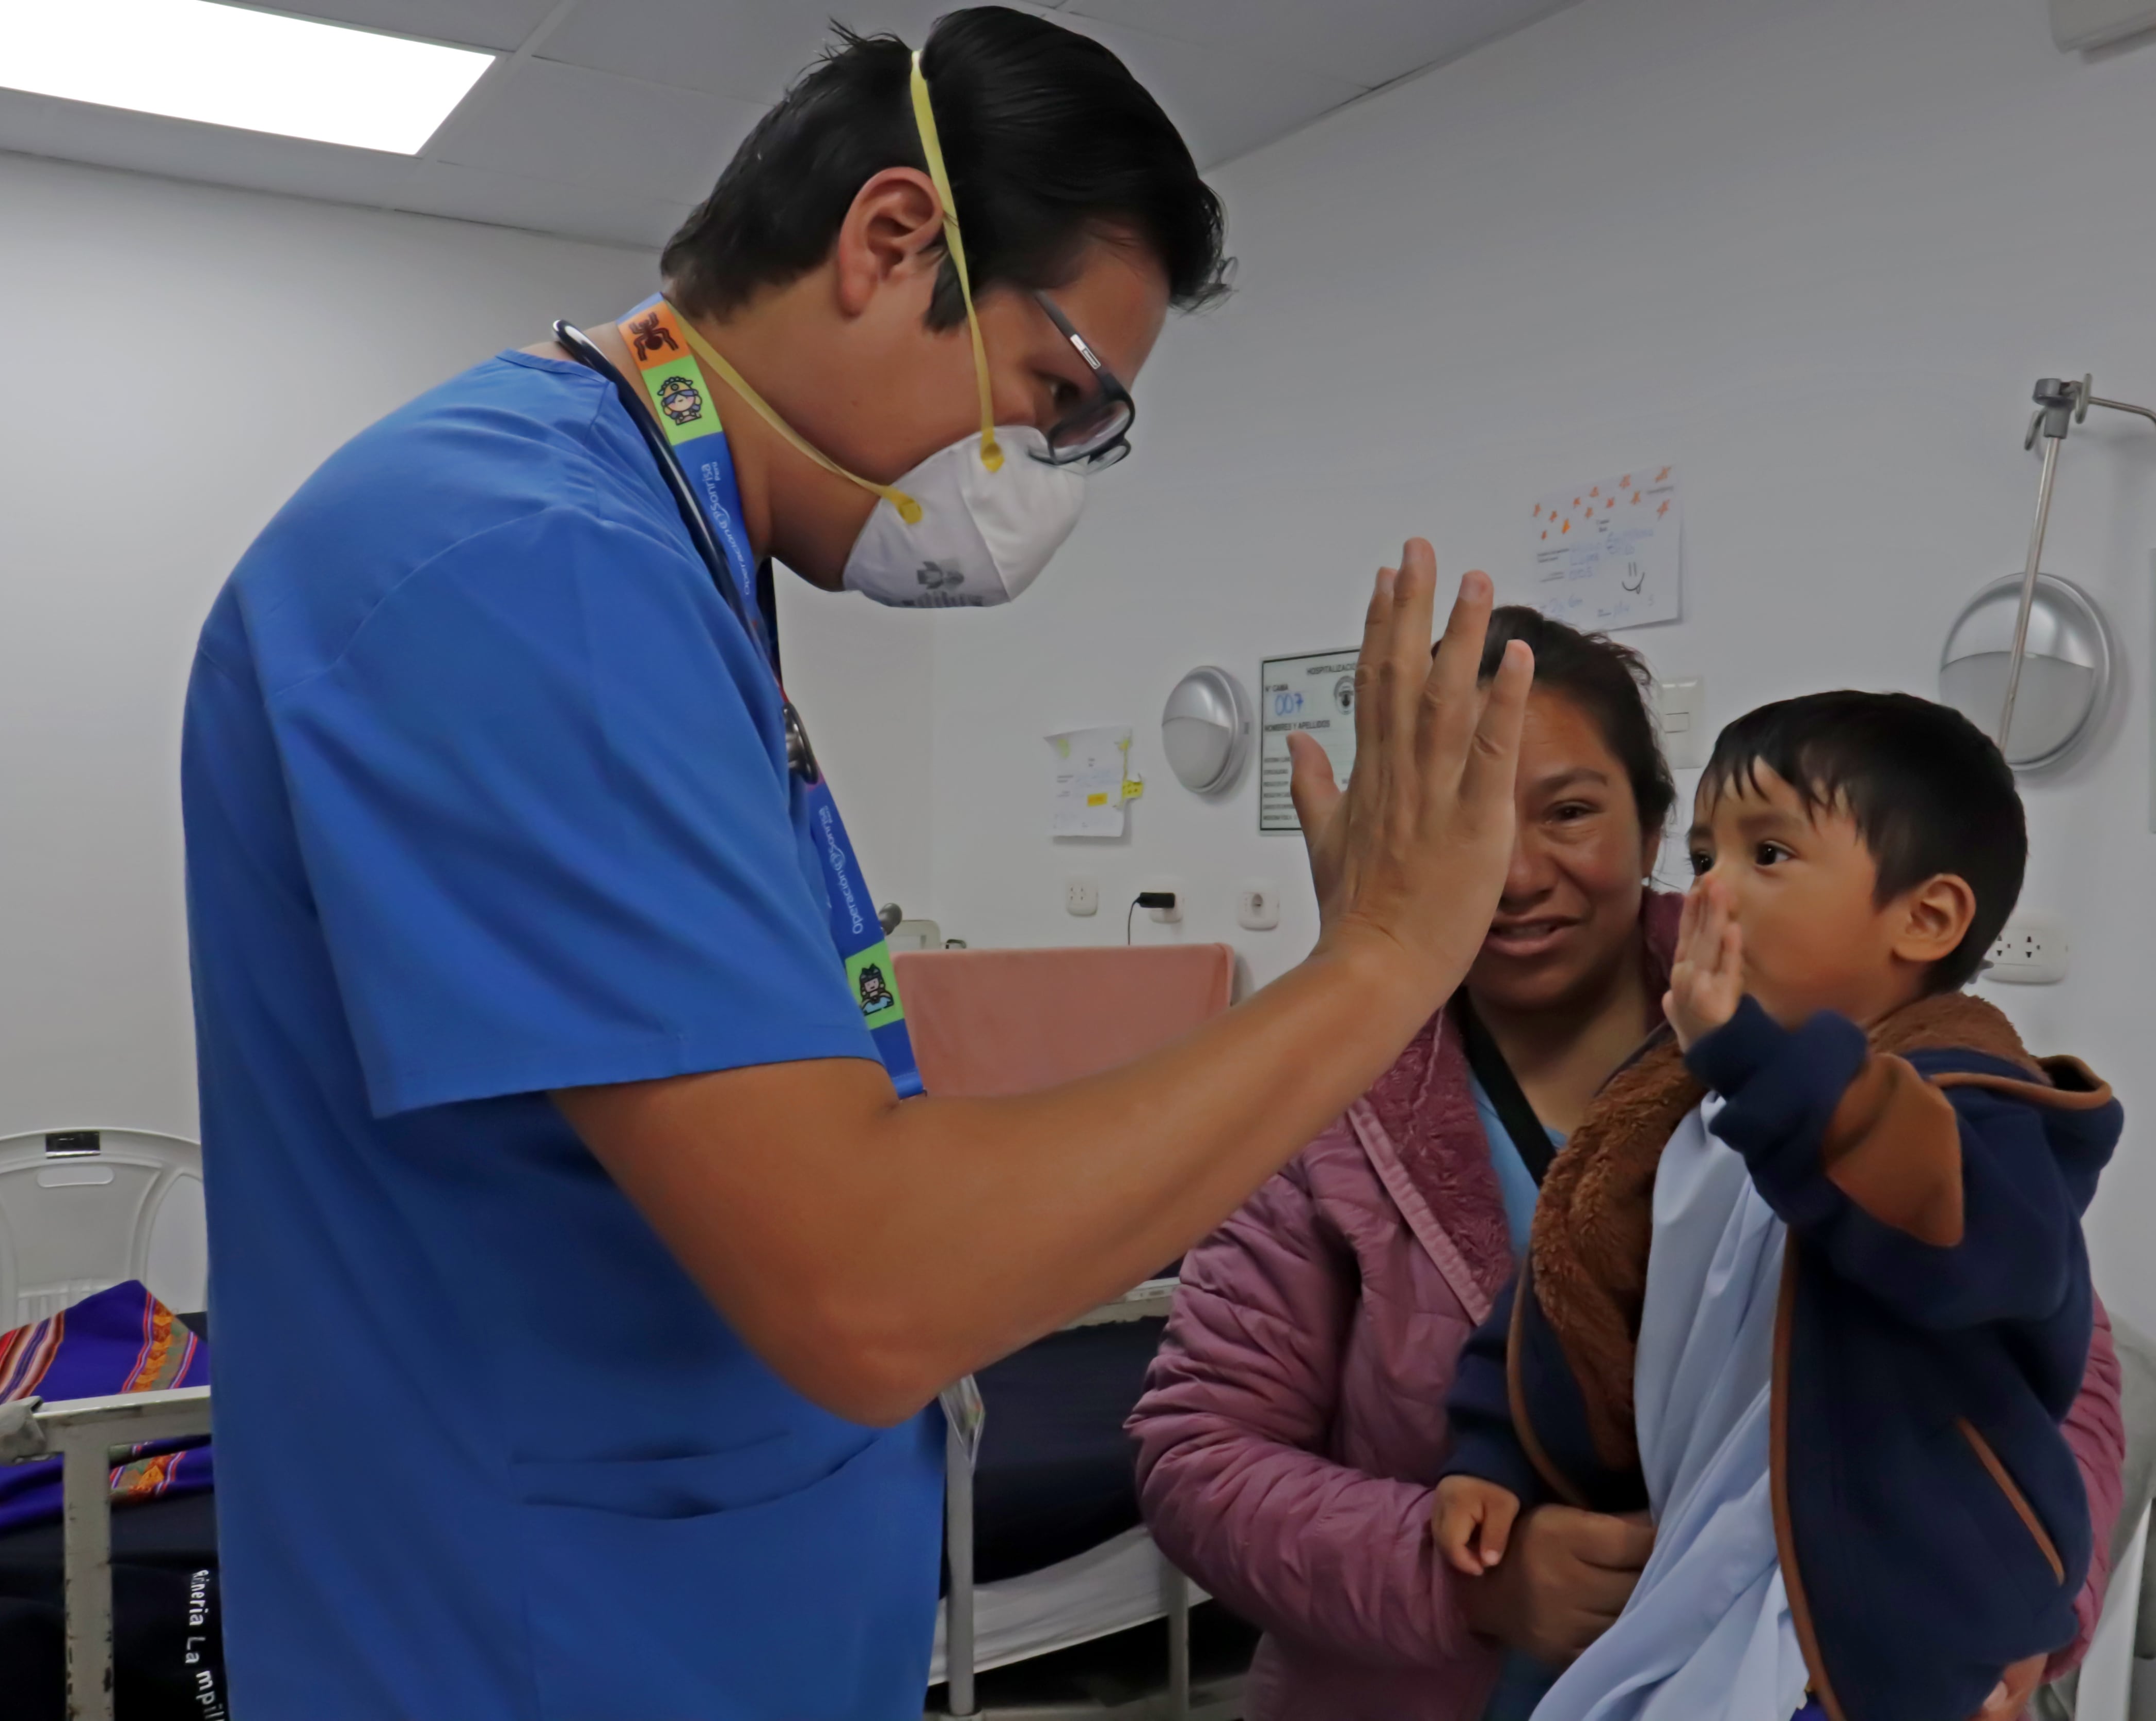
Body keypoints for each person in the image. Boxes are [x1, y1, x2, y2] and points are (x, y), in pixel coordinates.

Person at [178, 12, 1535, 1717]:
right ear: (896, 243)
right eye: (1061, 396)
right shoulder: (522, 565)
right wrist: (1382, 965)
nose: (1045, 480)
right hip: (543, 1646)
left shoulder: (666, 559)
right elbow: (870, 1285)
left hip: (706, 1622)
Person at [1129, 627, 2126, 1721]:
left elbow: (2039, 1362)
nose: (1512, 872)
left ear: (1645, 824)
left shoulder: (1877, 1065)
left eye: (1565, 810)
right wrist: (1465, 1573)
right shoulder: (1318, 1089)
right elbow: (1199, 1454)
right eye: (1466, 821)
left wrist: (2020, 1611)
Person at [1435, 692, 2120, 1721]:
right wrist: (1487, 1453)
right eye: (1705, 855)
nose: (1712, 891)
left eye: (1769, 854)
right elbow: (1561, 1291)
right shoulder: (1671, 1102)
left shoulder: (1968, 1106)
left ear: (1925, 916)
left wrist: (1755, 1060)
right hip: (1693, 1583)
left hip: (1868, 1624)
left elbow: (1974, 1247)